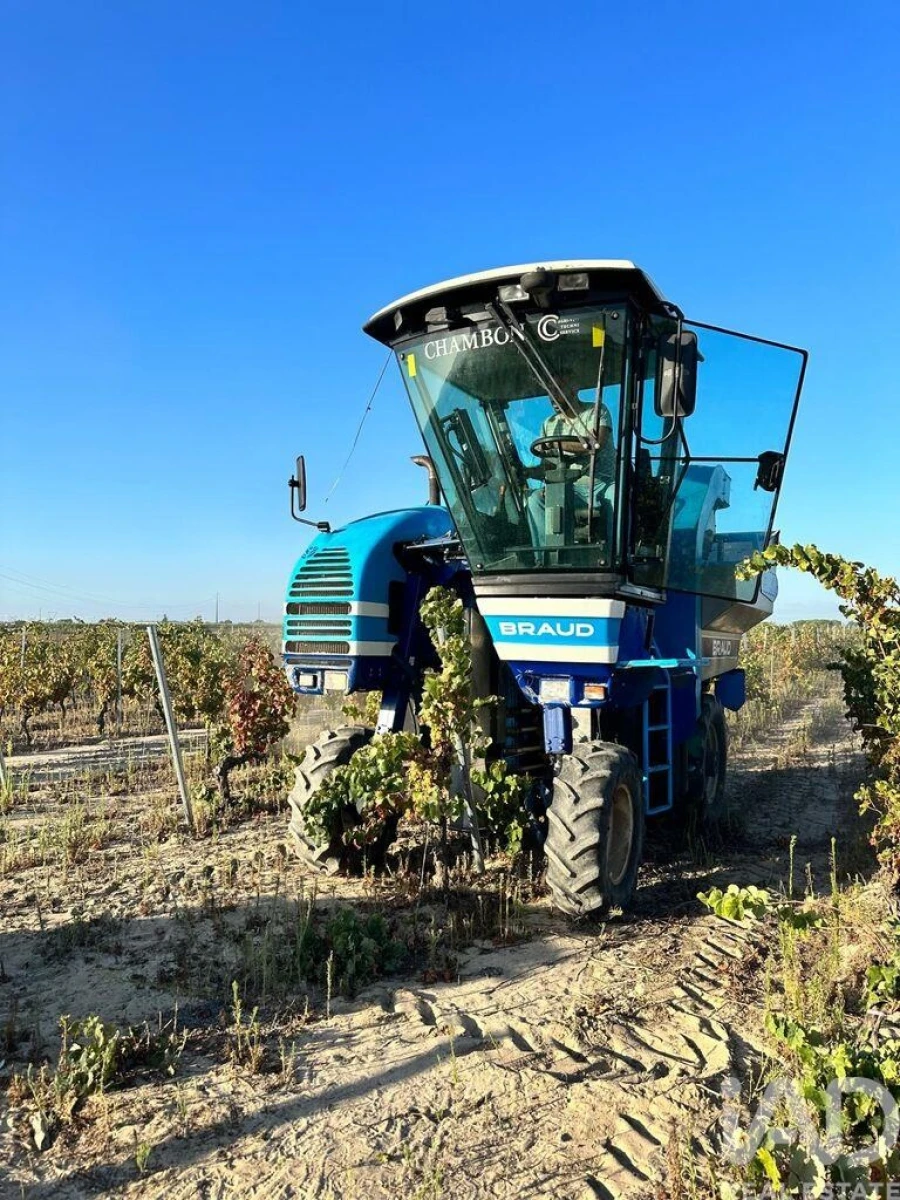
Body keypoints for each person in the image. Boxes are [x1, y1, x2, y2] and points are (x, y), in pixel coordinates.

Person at [525, 394, 617, 549]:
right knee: (535, 500)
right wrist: (526, 472)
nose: (552, 397)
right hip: (572, 489)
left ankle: (615, 555)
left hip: (603, 483)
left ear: (573, 387)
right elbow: (547, 467)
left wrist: (556, 443)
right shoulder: (549, 424)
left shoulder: (596, 411)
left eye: (557, 390)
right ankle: (545, 559)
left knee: (617, 497)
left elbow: (595, 444)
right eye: (550, 392)